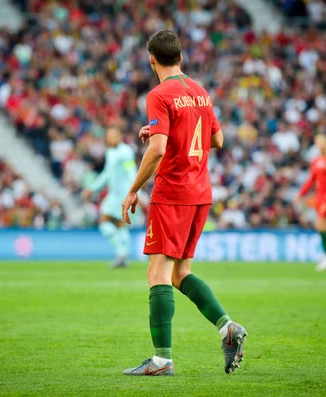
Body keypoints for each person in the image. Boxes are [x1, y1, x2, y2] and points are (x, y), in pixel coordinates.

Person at [121, 30, 246, 376]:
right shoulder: (200, 92)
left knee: (157, 273)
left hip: (173, 193)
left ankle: (161, 360)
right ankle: (227, 328)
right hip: (200, 193)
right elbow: (217, 139)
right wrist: (163, 131)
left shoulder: (159, 94)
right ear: (181, 57)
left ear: (152, 60)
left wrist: (133, 188)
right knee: (180, 273)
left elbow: (158, 150)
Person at [82, 127, 136, 268]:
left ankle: (121, 253)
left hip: (122, 194)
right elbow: (107, 173)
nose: (110, 138)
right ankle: (123, 255)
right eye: (108, 136)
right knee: (119, 224)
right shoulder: (110, 152)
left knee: (103, 220)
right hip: (114, 194)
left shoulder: (126, 151)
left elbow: (131, 171)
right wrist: (92, 188)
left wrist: (135, 191)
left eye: (113, 135)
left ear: (120, 136)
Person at [294, 134, 326, 271]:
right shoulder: (316, 161)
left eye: (322, 142)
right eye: (318, 142)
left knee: (320, 224)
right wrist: (301, 194)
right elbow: (311, 179)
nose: (320, 145)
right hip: (320, 196)